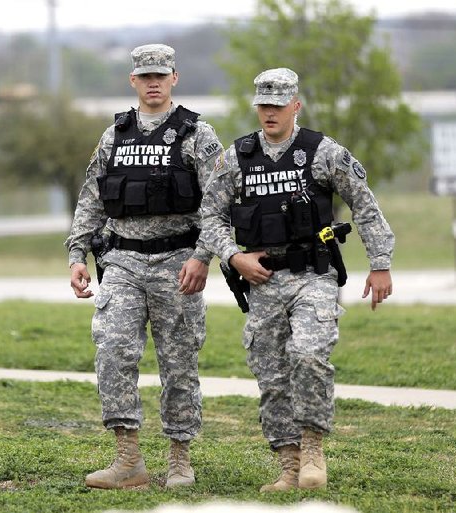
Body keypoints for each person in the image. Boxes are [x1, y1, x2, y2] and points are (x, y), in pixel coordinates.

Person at [200, 68, 394, 491]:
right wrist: (234, 256)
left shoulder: (323, 152)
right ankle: (288, 465)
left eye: (277, 105)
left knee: (309, 355)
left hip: (314, 275)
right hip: (262, 281)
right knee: (271, 375)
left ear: (295, 105)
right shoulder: (237, 157)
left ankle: (312, 451)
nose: (269, 113)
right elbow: (209, 216)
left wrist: (380, 262)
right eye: (263, 105)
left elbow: (364, 204)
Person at [64, 43, 224, 490]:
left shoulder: (198, 134)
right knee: (113, 353)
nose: (153, 83)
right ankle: (128, 460)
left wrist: (202, 257)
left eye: (161, 75)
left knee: (178, 364)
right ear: (133, 81)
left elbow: (219, 204)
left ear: (175, 78)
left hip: (179, 264)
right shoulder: (115, 135)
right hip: (123, 261)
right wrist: (77, 254)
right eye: (145, 76)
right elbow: (92, 198)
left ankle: (179, 459)